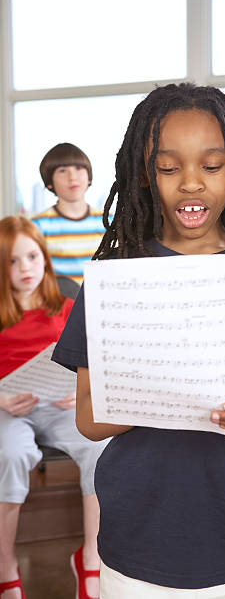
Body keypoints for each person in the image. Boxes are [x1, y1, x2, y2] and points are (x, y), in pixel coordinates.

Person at [52, 82, 225, 599]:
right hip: (137, 541)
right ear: (145, 175)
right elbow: (89, 421)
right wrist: (170, 390)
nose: (190, 183)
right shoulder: (115, 280)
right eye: (168, 168)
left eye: (211, 166)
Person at [0, 216, 109, 599]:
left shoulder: (65, 306)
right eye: (12, 261)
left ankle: (91, 560)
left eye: (32, 257)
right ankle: (5, 567)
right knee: (11, 454)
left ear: (45, 259)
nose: (25, 268)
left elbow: (93, 360)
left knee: (100, 445)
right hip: (8, 407)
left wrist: (78, 388)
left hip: (60, 403)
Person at [32, 142, 106, 284]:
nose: (72, 176)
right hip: (58, 303)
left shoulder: (109, 221)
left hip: (101, 301)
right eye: (62, 171)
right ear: (49, 183)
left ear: (89, 178)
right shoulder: (38, 226)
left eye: (78, 168)